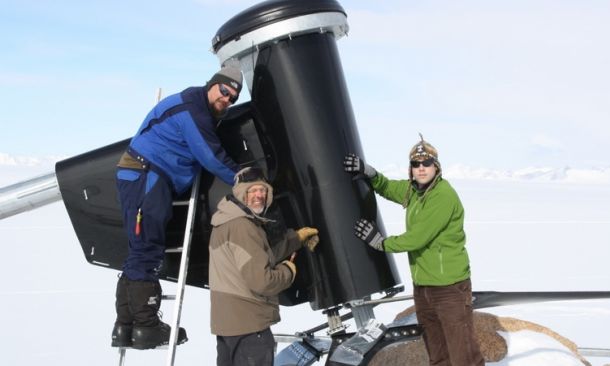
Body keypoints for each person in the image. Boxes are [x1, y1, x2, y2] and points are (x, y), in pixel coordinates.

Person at [111, 66, 244, 350]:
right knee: (148, 250)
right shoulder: (193, 111)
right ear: (213, 84)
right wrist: (241, 178)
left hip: (143, 175)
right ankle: (146, 326)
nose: (227, 100)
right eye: (224, 91)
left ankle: (125, 326)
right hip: (148, 175)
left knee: (139, 251)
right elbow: (211, 156)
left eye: (232, 98)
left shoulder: (195, 105)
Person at [343, 134, 485, 366]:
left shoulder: (443, 195)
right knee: (437, 353)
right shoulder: (415, 191)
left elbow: (417, 238)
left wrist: (381, 243)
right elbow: (389, 188)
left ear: (436, 167)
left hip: (449, 288)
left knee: (463, 355)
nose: (421, 168)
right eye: (415, 164)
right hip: (424, 287)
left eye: (426, 163)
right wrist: (370, 173)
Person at [209, 167, 319, 366]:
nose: (260, 195)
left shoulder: (225, 222)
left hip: (230, 325)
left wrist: (297, 238)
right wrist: (288, 271)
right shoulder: (243, 226)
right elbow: (262, 281)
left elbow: (258, 257)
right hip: (249, 325)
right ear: (242, 193)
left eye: (263, 190)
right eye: (253, 191)